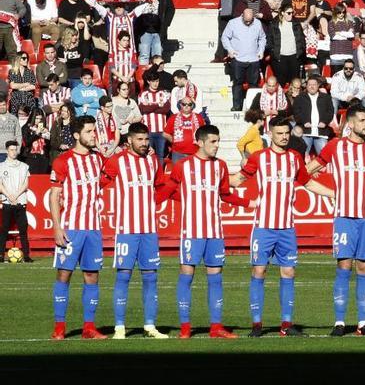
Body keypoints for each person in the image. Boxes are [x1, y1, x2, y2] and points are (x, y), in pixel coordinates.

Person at [231, 116, 335, 337]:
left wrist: (334, 194)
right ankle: (257, 325)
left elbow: (308, 182)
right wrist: (211, 178)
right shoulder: (259, 158)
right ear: (270, 134)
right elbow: (238, 179)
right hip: (263, 226)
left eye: (286, 133)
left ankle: (286, 325)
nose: (284, 136)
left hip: (287, 227)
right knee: (259, 271)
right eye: (279, 133)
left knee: (288, 272)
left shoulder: (295, 158)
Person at [156, 125, 255, 339]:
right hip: (191, 231)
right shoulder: (182, 165)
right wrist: (147, 202)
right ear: (199, 142)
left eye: (218, 141)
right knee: (186, 276)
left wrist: (248, 202)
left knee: (216, 277)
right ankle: (185, 328)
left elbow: (225, 194)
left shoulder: (220, 166)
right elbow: (167, 190)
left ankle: (216, 327)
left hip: (215, 232)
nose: (217, 146)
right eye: (213, 141)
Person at [306, 105, 365, 336]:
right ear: (350, 124)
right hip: (344, 216)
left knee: (364, 266)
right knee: (344, 266)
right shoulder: (335, 146)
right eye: (362, 120)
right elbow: (306, 172)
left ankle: (363, 323)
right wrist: (330, 193)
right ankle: (339, 322)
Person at [97, 123, 168, 339]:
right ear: (129, 141)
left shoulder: (153, 161)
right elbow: (100, 183)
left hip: (149, 229)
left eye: (146, 140)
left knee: (150, 277)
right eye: (140, 140)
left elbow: (161, 186)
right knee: (124, 276)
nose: (145, 144)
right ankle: (119, 327)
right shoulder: (117, 161)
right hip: (126, 228)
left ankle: (150, 325)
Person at [50, 116, 107, 340]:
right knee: (64, 275)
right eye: (89, 131)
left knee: (92, 276)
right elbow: (54, 196)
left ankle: (89, 328)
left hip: (93, 227)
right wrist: (57, 227)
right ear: (76, 135)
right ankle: (59, 327)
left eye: (94, 131)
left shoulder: (98, 160)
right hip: (71, 227)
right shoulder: (63, 161)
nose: (94, 135)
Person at [222, 9, 266, 112]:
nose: (248, 23)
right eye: (246, 21)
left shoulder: (257, 23)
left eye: (250, 21)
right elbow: (225, 37)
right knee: (238, 83)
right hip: (238, 58)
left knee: (253, 84)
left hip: (254, 59)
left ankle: (253, 107)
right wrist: (230, 50)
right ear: (242, 15)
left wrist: (261, 50)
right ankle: (237, 106)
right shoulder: (233, 23)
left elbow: (262, 38)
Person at [0, 141, 31, 264]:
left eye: (15, 149)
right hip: (7, 202)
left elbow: (26, 184)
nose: (14, 152)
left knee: (23, 229)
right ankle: (1, 255)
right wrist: (9, 196)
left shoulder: (24, 166)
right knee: (4, 230)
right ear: (7, 150)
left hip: (20, 201)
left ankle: (27, 255)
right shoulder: (1, 166)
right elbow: (0, 185)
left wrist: (16, 195)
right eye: (11, 149)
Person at [292, 75, 334, 157]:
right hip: (305, 132)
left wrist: (325, 122)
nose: (312, 86)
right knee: (302, 157)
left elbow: (330, 112)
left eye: (314, 84)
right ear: (306, 86)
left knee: (324, 158)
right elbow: (296, 113)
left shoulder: (326, 98)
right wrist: (303, 122)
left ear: (318, 85)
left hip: (321, 133)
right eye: (309, 84)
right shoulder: (300, 98)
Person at [162, 96, 204, 164]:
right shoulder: (173, 117)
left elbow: (203, 133)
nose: (186, 106)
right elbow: (165, 134)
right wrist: (174, 141)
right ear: (180, 105)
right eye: (184, 104)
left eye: (189, 104)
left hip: (195, 153)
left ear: (192, 105)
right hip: (178, 153)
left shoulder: (199, 117)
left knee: (194, 174)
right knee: (178, 174)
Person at [138, 71, 170, 157]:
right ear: (148, 81)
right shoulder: (144, 94)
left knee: (160, 155)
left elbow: (166, 109)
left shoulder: (163, 93)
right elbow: (143, 109)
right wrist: (158, 105)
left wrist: (151, 107)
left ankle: (160, 170)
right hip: (148, 131)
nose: (155, 84)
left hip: (161, 130)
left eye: (157, 81)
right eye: (153, 81)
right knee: (148, 155)